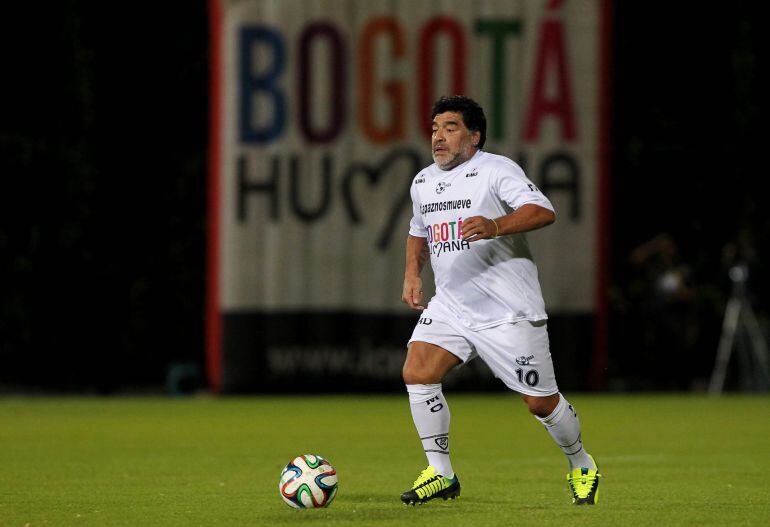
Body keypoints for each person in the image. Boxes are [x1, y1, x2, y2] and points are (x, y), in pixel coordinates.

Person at [399, 95, 600, 506]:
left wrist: (495, 225)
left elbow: (542, 210)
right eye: (435, 128)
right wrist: (412, 274)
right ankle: (441, 473)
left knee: (540, 402)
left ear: (474, 137)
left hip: (507, 310)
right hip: (452, 305)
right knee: (418, 371)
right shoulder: (423, 181)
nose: (438, 136)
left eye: (450, 128)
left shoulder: (495, 170)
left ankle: (581, 464)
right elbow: (418, 230)